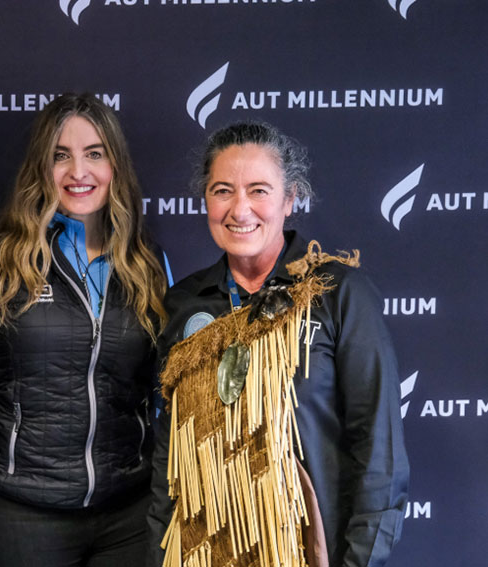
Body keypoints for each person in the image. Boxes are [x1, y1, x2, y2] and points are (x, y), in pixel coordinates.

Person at [147, 122, 409, 567]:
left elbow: (379, 455)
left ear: (290, 200)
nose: (240, 208)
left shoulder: (335, 293)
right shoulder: (183, 304)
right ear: (206, 200)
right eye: (223, 190)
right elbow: (168, 459)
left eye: (259, 190)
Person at [0, 93, 171, 567]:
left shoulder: (148, 265)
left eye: (95, 153)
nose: (78, 172)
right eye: (60, 156)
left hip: (127, 516)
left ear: (116, 165)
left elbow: (167, 393)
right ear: (40, 167)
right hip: (18, 513)